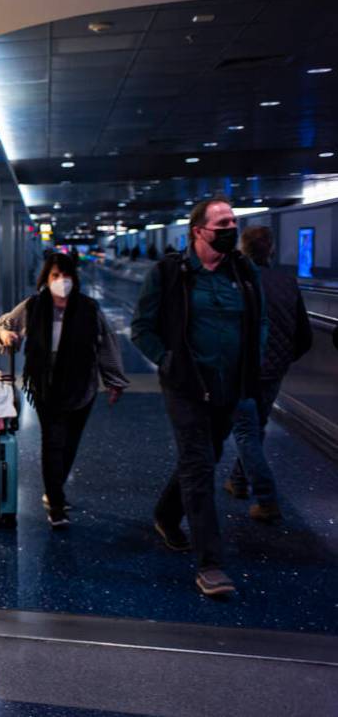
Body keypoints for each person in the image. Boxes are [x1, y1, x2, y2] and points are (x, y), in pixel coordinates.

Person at [131, 198, 266, 597]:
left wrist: (253, 361)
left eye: (233, 221)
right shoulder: (170, 273)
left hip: (230, 386)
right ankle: (211, 564)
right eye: (222, 223)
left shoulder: (243, 271)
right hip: (187, 387)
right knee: (199, 464)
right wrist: (167, 361)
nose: (230, 228)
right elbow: (142, 327)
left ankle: (165, 514)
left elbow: (261, 320)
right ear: (198, 231)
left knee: (209, 454)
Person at [0, 253, 129, 529]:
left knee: (70, 444)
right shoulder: (34, 306)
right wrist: (6, 335)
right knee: (53, 442)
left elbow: (106, 344)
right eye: (55, 276)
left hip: (82, 386)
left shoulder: (88, 308)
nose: (61, 281)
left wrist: (114, 380)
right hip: (46, 384)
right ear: (46, 278)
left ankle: (55, 487)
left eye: (66, 276)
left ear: (74, 279)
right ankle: (56, 502)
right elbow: (1, 325)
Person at [223, 226, 313, 521]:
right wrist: (283, 359)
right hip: (274, 370)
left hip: (243, 370)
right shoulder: (287, 281)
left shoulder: (237, 280)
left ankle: (267, 498)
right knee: (255, 425)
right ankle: (237, 481)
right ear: (271, 250)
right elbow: (304, 335)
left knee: (246, 430)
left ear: (243, 248)